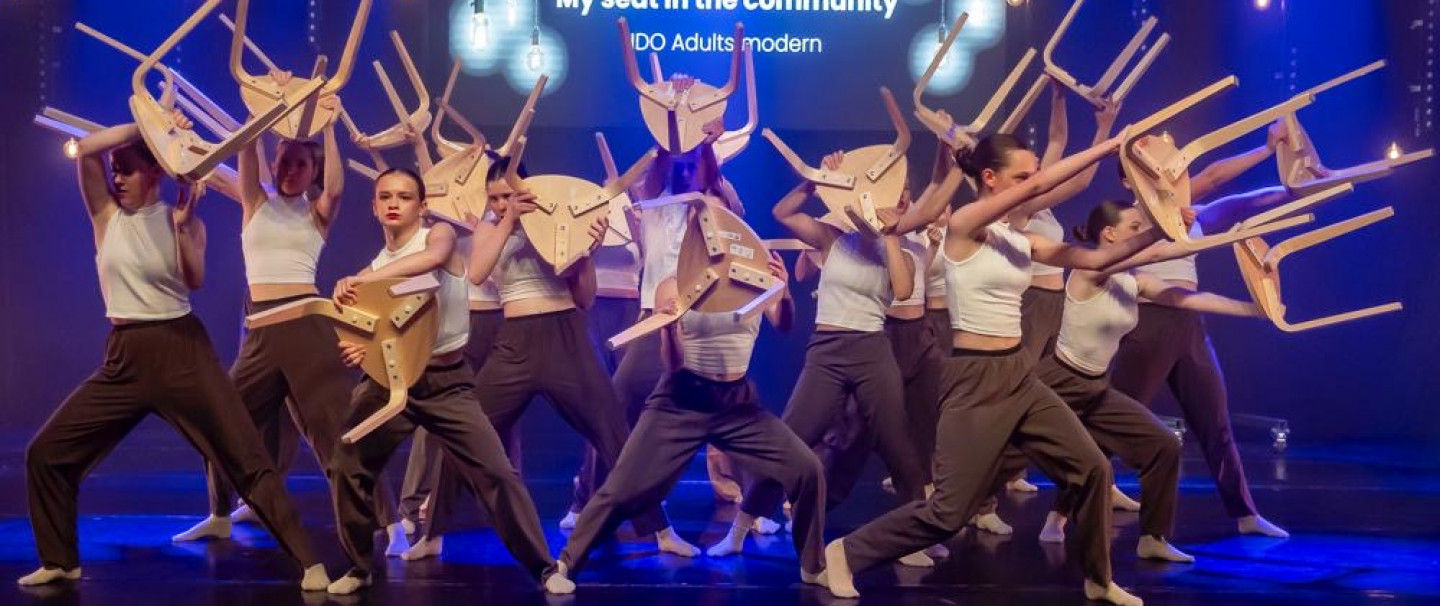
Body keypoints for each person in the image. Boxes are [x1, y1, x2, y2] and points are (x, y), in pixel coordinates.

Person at [21, 118, 328, 589]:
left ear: (155, 172)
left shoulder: (183, 219)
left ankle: (310, 563)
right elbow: (86, 149)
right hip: (125, 356)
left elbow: (194, 280)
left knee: (244, 456)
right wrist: (147, 123)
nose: (117, 178)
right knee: (46, 454)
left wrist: (183, 228)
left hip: (182, 350)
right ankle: (60, 560)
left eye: (126, 169)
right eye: (115, 170)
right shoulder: (105, 215)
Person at [322, 168, 554, 594]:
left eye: (404, 196)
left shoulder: (437, 237)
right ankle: (358, 567)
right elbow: (366, 336)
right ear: (374, 207)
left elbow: (429, 263)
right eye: (385, 197)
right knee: (346, 463)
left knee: (497, 472)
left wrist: (361, 281)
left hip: (447, 382)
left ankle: (544, 568)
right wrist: (358, 352)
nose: (394, 203)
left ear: (422, 205)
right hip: (393, 382)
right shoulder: (371, 270)